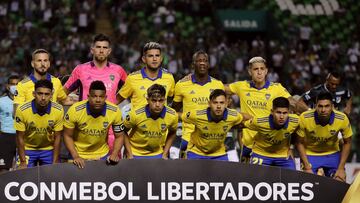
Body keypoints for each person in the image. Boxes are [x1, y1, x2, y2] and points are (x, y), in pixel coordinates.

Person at [225, 56, 308, 162]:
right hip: (249, 144)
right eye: (255, 69)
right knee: (248, 177)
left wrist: (310, 112)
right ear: (250, 71)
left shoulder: (277, 88)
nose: (259, 72)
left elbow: (293, 103)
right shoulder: (241, 86)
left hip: (271, 145)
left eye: (262, 69)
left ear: (266, 71)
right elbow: (218, 88)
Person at [63, 34, 128, 150]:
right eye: (98, 47)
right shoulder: (80, 70)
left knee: (112, 163)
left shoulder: (118, 70)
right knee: (83, 165)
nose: (101, 50)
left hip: (110, 127)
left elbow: (129, 89)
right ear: (92, 50)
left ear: (109, 51)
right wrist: (73, 102)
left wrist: (115, 101)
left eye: (104, 48)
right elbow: (63, 92)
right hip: (85, 127)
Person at [172, 51, 225, 158]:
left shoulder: (218, 85)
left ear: (208, 65)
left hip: (212, 139)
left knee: (214, 174)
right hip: (188, 139)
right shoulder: (181, 85)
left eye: (205, 61)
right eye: (199, 61)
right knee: (188, 174)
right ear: (193, 64)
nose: (202, 63)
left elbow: (223, 111)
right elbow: (173, 111)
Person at [63, 81, 125, 168]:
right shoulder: (75, 110)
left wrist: (114, 154)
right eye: (94, 96)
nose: (98, 100)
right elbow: (67, 135)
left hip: (101, 154)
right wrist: (75, 156)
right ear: (88, 97)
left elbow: (119, 136)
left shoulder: (114, 111)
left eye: (101, 97)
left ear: (105, 97)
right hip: (78, 154)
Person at [296, 92, 352, 181]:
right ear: (315, 106)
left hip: (332, 154)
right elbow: (299, 143)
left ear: (332, 107)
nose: (323, 110)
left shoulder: (342, 119)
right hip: (310, 154)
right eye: (320, 106)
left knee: (340, 180)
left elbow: (347, 142)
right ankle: (318, 173)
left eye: (327, 106)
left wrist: (341, 168)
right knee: (307, 182)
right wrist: (307, 167)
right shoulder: (304, 118)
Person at [182, 89, 250, 160]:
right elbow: (179, 116)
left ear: (226, 104)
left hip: (219, 154)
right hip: (196, 152)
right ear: (209, 103)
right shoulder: (196, 115)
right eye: (215, 102)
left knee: (227, 171)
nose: (218, 106)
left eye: (221, 103)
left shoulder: (233, 115)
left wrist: (259, 122)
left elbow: (246, 117)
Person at [14, 80, 64, 169]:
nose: (43, 97)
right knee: (23, 176)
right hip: (27, 148)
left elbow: (58, 137)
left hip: (48, 149)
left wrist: (55, 161)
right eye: (40, 93)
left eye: (47, 94)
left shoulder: (58, 110)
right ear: (34, 94)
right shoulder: (22, 110)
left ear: (51, 95)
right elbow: (19, 137)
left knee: (52, 176)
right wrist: (22, 162)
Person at [123, 84, 178, 159]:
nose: (157, 104)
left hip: (157, 154)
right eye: (154, 101)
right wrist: (129, 154)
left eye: (161, 100)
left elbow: (172, 133)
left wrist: (165, 154)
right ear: (147, 100)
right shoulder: (135, 114)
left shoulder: (172, 115)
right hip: (135, 153)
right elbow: (123, 131)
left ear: (165, 99)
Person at [244, 97, 299, 170]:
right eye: (278, 112)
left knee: (292, 178)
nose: (282, 117)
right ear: (272, 112)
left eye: (285, 113)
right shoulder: (259, 122)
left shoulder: (295, 121)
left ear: (289, 112)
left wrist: (291, 147)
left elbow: (297, 133)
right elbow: (242, 124)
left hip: (283, 155)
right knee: (255, 179)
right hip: (261, 153)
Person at [117, 41, 175, 108]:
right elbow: (117, 100)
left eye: (157, 55)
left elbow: (174, 98)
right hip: (137, 118)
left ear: (161, 59)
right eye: (150, 56)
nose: (154, 59)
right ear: (144, 59)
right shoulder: (132, 78)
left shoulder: (169, 77)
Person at [0, 75, 20, 173]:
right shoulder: (1, 101)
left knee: (23, 169)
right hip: (5, 137)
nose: (15, 86)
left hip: (21, 136)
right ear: (8, 86)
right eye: (13, 84)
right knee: (3, 169)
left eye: (17, 84)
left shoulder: (25, 102)